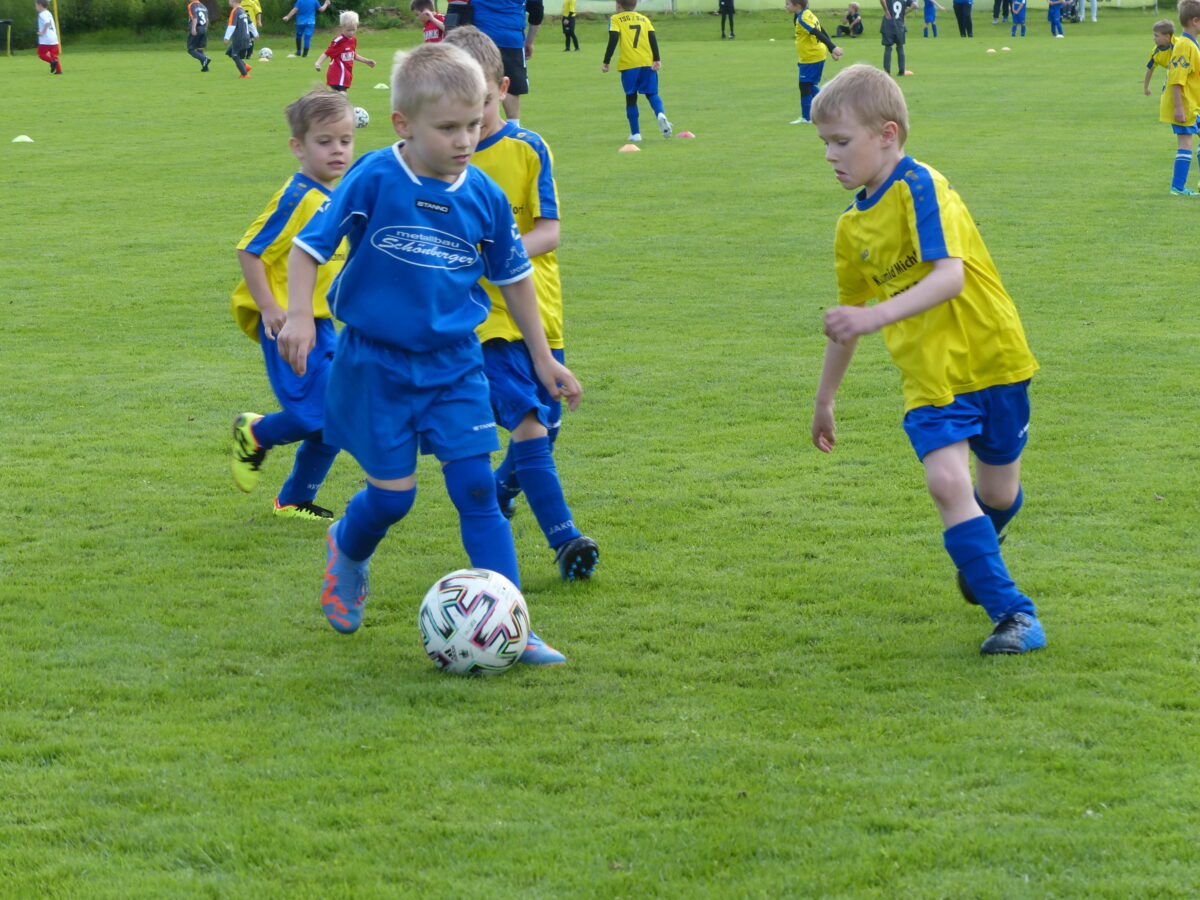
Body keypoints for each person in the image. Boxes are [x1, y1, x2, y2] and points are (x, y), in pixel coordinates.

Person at [278, 42, 581, 665]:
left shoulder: (485, 195)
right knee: (393, 498)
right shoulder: (374, 176)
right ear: (403, 124)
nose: (465, 140)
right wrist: (301, 315)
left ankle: (514, 625)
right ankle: (347, 548)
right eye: (448, 128)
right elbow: (308, 249)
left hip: (456, 364)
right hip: (376, 364)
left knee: (476, 490)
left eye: (473, 123)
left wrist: (543, 358)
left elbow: (515, 279)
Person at [810, 64, 1045, 656]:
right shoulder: (850, 229)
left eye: (842, 141)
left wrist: (874, 317)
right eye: (825, 144)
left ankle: (981, 553)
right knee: (945, 483)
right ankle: (1015, 615)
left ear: (887, 134)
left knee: (998, 495)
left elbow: (948, 278)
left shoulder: (922, 186)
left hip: (993, 357)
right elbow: (847, 321)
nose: (831, 156)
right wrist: (825, 399)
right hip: (929, 378)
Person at [444, 26, 601, 581]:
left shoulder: (528, 148)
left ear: (503, 88)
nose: (471, 122)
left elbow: (549, 231)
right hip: (481, 323)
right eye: (456, 112)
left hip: (539, 310)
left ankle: (500, 490)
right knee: (530, 421)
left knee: (548, 423)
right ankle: (565, 540)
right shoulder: (442, 160)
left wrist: (496, 256)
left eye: (482, 103)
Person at [230, 91, 356, 523]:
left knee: (336, 416)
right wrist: (269, 309)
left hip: (321, 322)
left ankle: (294, 500)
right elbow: (249, 250)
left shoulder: (338, 194)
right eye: (325, 141)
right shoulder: (297, 196)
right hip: (286, 323)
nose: (337, 150)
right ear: (298, 147)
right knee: (313, 414)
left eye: (345, 140)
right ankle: (255, 432)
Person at [602, 0, 674, 141]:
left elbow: (613, 39)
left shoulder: (615, 19)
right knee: (652, 94)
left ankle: (636, 134)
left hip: (629, 64)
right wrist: (657, 59)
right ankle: (660, 114)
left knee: (631, 97)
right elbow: (652, 38)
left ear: (618, 4)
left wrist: (606, 61)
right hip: (647, 62)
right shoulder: (644, 19)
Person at [1159, 0, 1200, 196]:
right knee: (1185, 144)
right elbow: (1177, 80)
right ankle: (1178, 187)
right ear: (1195, 21)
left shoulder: (1191, 43)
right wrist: (1179, 108)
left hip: (1194, 104)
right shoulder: (1184, 45)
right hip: (1184, 105)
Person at [471, 0, 531, 123]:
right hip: (510, 36)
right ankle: (513, 126)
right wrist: (530, 41)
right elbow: (536, 9)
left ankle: (476, 124)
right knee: (511, 87)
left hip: (479, 37)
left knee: (478, 82)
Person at [785, 0, 843, 126]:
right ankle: (830, 104)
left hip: (812, 56)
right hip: (811, 55)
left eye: (788, 4)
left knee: (804, 85)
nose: (786, 6)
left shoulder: (802, 19)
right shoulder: (807, 14)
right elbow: (821, 29)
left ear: (797, 5)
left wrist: (833, 47)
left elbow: (817, 32)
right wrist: (831, 49)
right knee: (808, 84)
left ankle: (807, 117)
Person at [314, 10, 376, 91]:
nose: (351, 33)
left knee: (337, 97)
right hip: (337, 75)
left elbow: (352, 54)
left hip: (346, 75)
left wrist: (366, 61)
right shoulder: (338, 40)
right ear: (341, 27)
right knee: (341, 96)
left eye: (353, 30)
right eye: (348, 30)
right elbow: (327, 53)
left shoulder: (353, 40)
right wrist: (318, 63)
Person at [880, 0, 916, 76]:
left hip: (889, 24)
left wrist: (886, 11)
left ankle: (887, 72)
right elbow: (914, 5)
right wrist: (904, 13)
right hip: (900, 25)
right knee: (900, 47)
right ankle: (901, 71)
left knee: (888, 48)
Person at [224, 0, 257, 77]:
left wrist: (226, 37)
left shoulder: (235, 11)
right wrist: (255, 33)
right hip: (246, 36)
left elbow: (231, 25)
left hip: (239, 37)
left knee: (235, 55)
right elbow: (250, 23)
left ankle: (244, 74)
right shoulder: (242, 10)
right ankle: (245, 66)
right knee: (229, 51)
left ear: (233, 1)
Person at [1144, 20, 1175, 98]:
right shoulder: (1155, 53)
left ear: (1167, 36)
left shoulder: (1179, 45)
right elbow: (1150, 69)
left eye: (1156, 36)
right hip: (1172, 77)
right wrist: (1146, 88)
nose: (1154, 39)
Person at [35, 0, 61, 75]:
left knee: (41, 54)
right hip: (54, 38)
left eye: (36, 5)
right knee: (54, 55)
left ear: (40, 5)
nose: (35, 7)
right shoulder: (48, 13)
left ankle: (52, 61)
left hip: (46, 39)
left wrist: (42, 32)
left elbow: (47, 22)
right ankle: (59, 70)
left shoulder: (42, 14)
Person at [186, 0, 211, 71]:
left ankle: (204, 58)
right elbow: (207, 20)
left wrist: (193, 28)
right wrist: (205, 29)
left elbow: (195, 18)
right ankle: (205, 68)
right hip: (204, 28)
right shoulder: (203, 6)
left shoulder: (191, 5)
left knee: (191, 50)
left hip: (197, 28)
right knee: (200, 49)